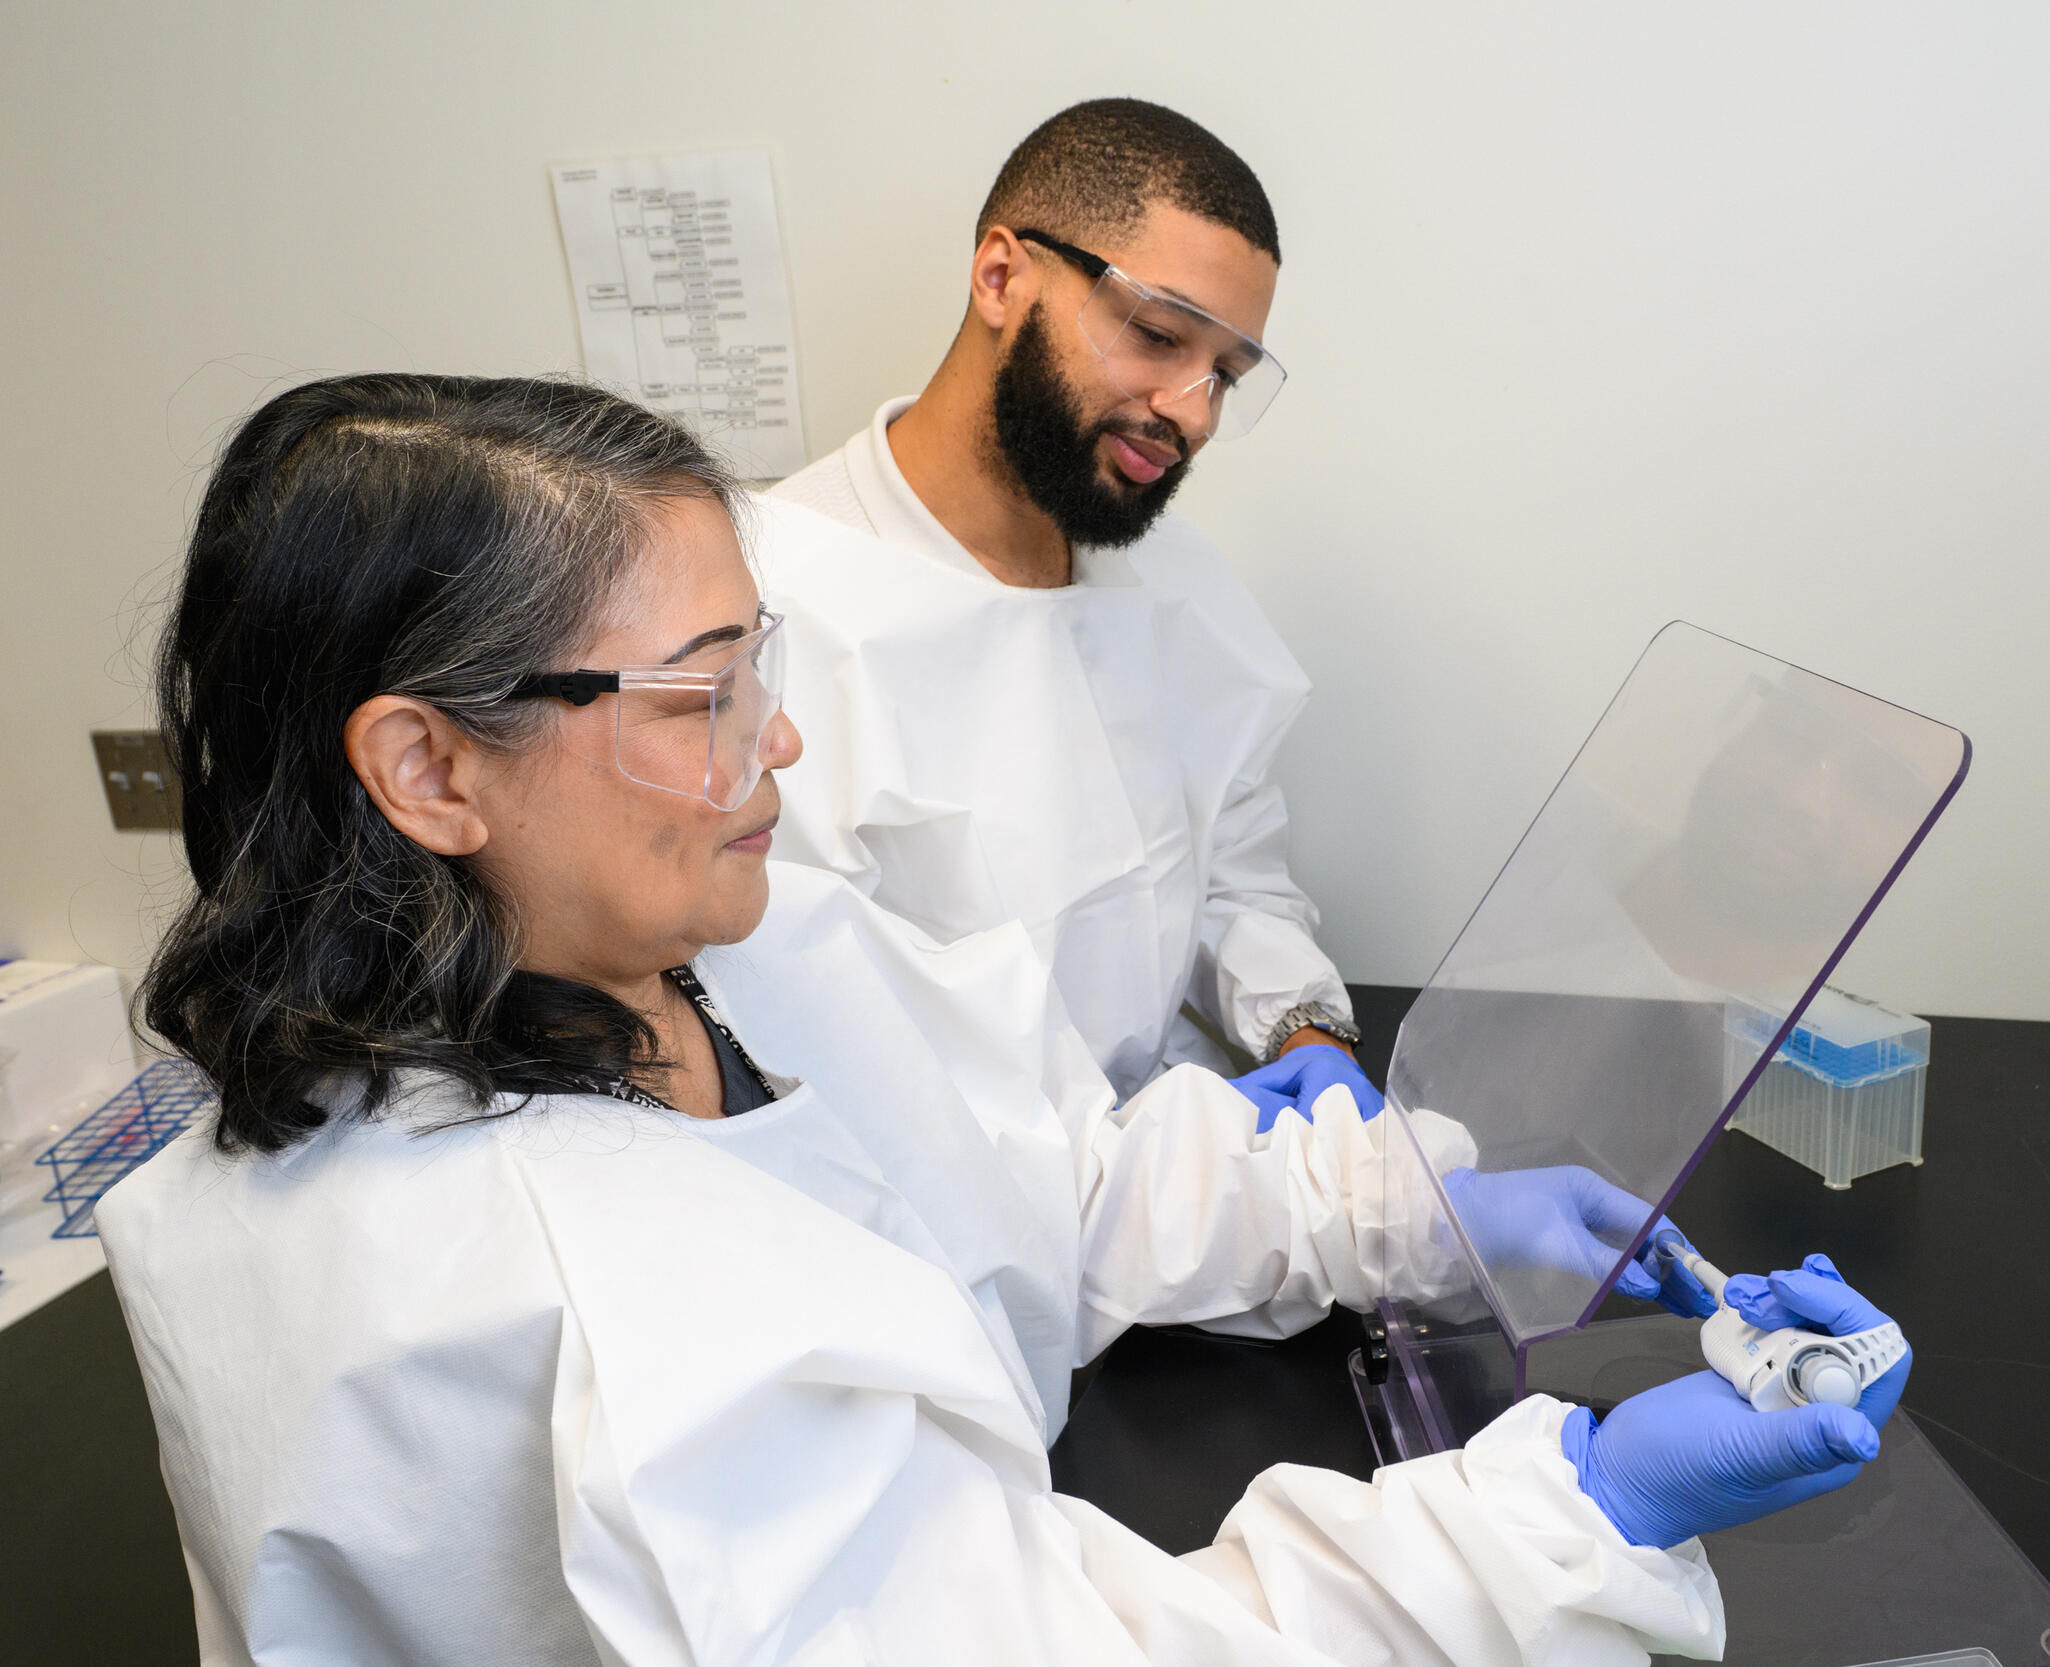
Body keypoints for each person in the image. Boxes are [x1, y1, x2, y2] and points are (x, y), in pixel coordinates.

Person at [102, 373, 1905, 1664]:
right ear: (427, 765)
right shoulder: (585, 1315)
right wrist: (1579, 1511)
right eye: (703, 697)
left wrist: (1404, 1199)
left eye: (766, 672)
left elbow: (1038, 1167)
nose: (778, 748)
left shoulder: (734, 946)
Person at [753, 98, 1374, 1108]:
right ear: (1002, 276)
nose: (1191, 413)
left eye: (1225, 374)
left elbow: (1233, 865)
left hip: (1199, 1163)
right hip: (977, 1226)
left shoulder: (1173, 578)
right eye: (1159, 334)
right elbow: (856, 1071)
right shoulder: (771, 616)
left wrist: (1304, 1027)